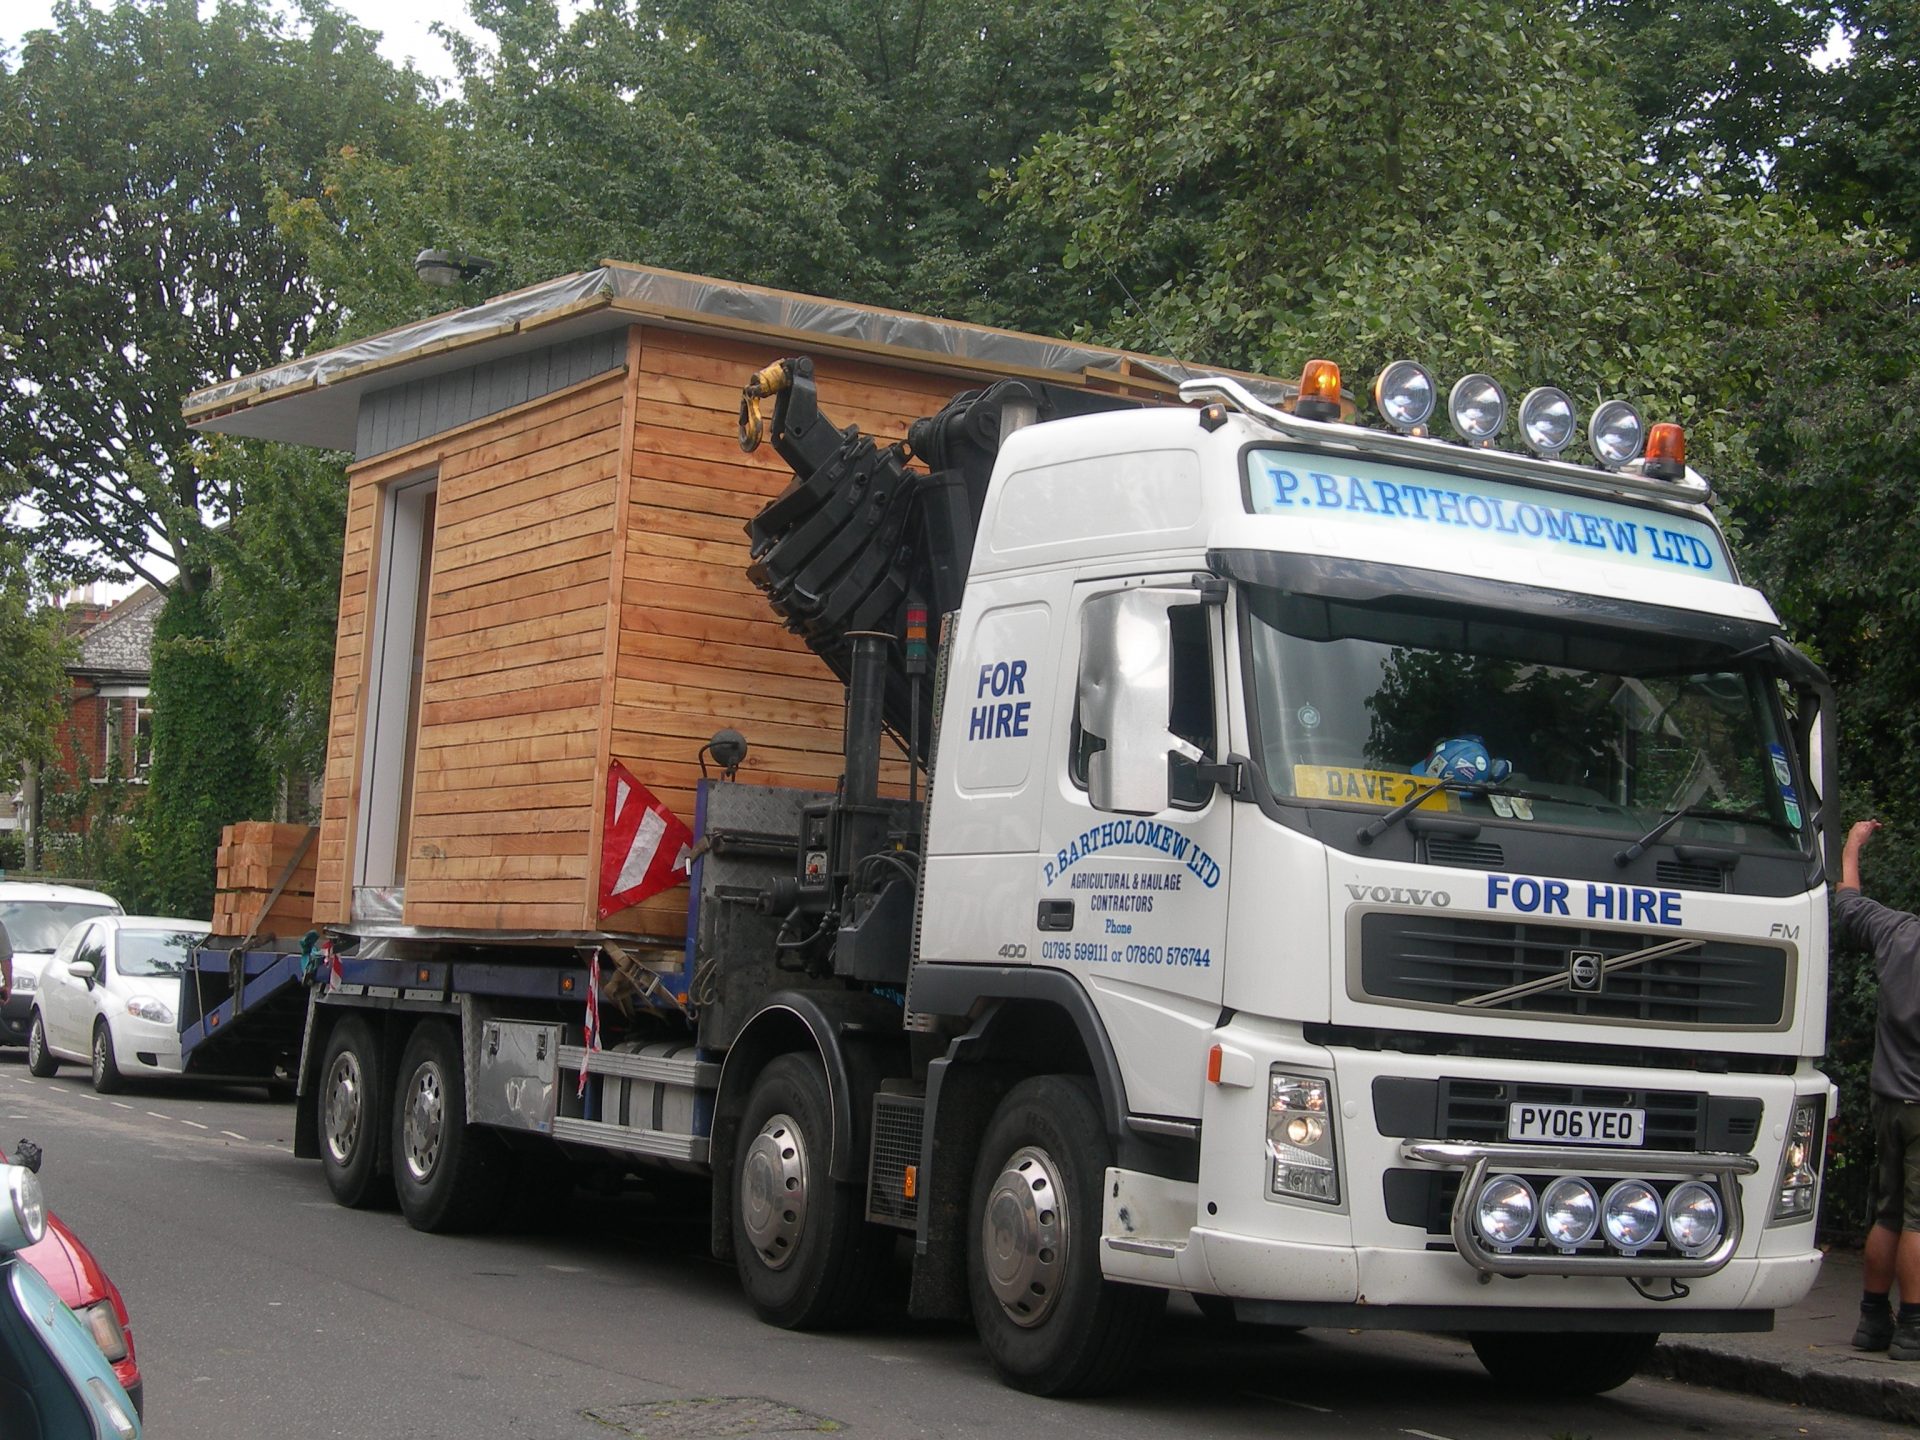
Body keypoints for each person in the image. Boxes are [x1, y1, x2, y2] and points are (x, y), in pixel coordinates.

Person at [1836, 819, 1920, 1358]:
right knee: (1919, 1218)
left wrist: (1852, 846)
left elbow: (1846, 905)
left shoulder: (1897, 932)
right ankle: (1914, 1328)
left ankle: (1872, 1320)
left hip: (1889, 1098)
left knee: (1888, 1212)